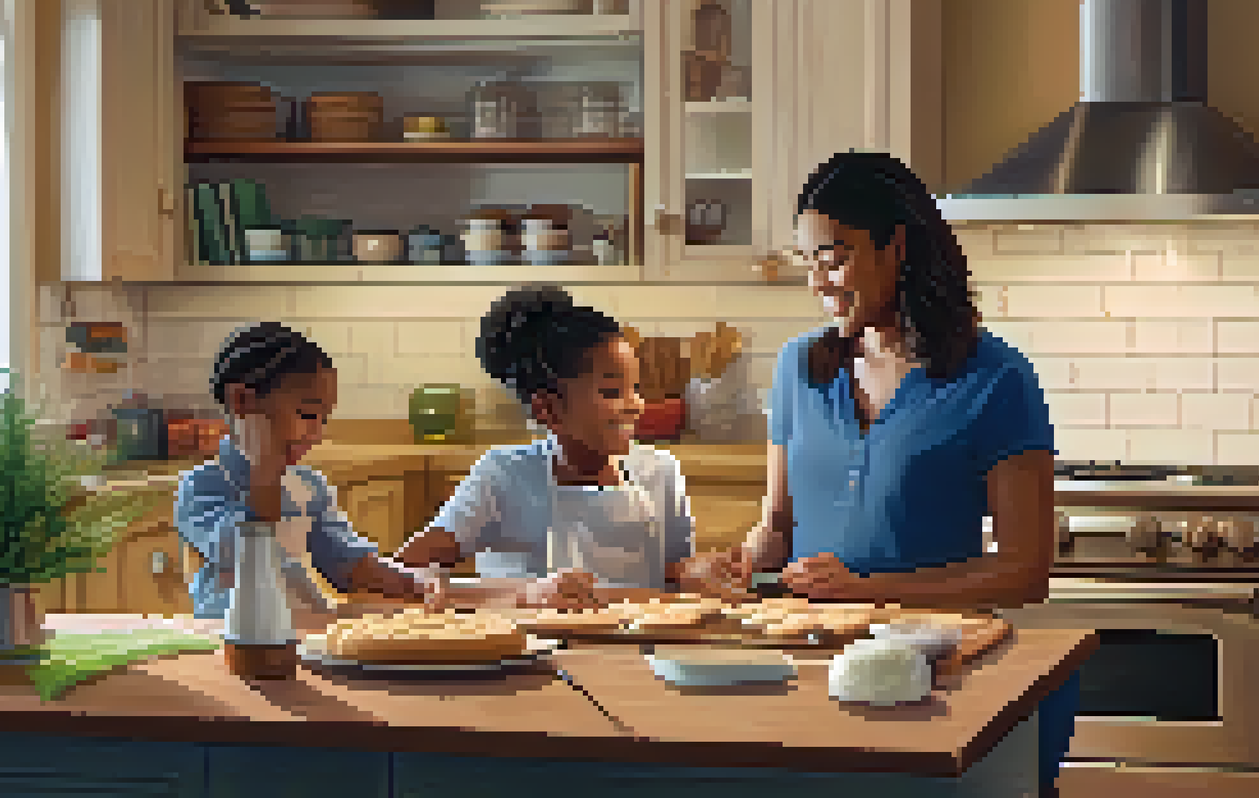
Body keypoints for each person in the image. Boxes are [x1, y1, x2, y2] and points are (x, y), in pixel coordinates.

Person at [675, 150, 1079, 796]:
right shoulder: (798, 366)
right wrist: (741, 562)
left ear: (898, 244)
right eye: (809, 260)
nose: (818, 281)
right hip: (805, 666)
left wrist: (865, 587)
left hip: (931, 674)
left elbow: (1026, 571)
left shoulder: (997, 379)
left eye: (834, 257)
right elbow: (778, 525)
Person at [395, 285, 698, 608]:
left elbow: (674, 575)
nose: (636, 405)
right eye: (612, 392)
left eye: (635, 388)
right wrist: (525, 594)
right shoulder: (504, 475)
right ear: (548, 410)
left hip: (637, 652)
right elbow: (403, 572)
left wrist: (699, 572)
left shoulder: (661, 472)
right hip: (528, 650)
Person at [175, 322, 441, 623]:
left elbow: (347, 562)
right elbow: (246, 550)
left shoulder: (309, 487)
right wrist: (265, 467)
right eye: (307, 415)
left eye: (324, 419)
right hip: (231, 636)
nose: (316, 434)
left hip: (303, 629)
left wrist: (413, 582)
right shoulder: (203, 486)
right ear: (243, 401)